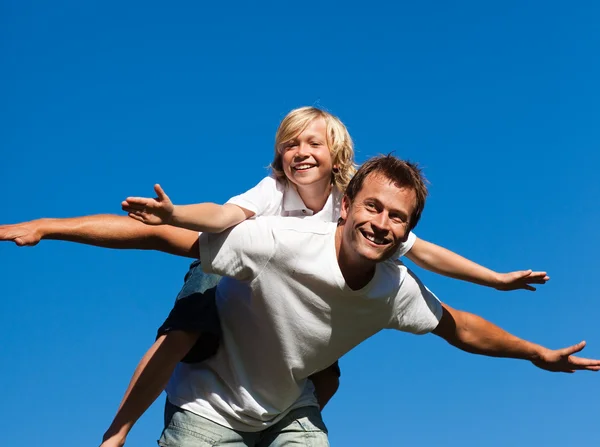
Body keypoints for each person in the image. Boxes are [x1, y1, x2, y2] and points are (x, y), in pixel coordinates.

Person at [0, 110, 549, 446]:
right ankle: (118, 429)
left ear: (340, 161)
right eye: (290, 144)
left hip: (292, 321)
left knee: (325, 380)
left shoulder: (356, 209)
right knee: (184, 330)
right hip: (228, 270)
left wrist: (498, 282)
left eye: (314, 143)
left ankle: (279, 424)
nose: (300, 152)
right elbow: (202, 224)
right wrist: (50, 225)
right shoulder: (269, 206)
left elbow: (433, 268)